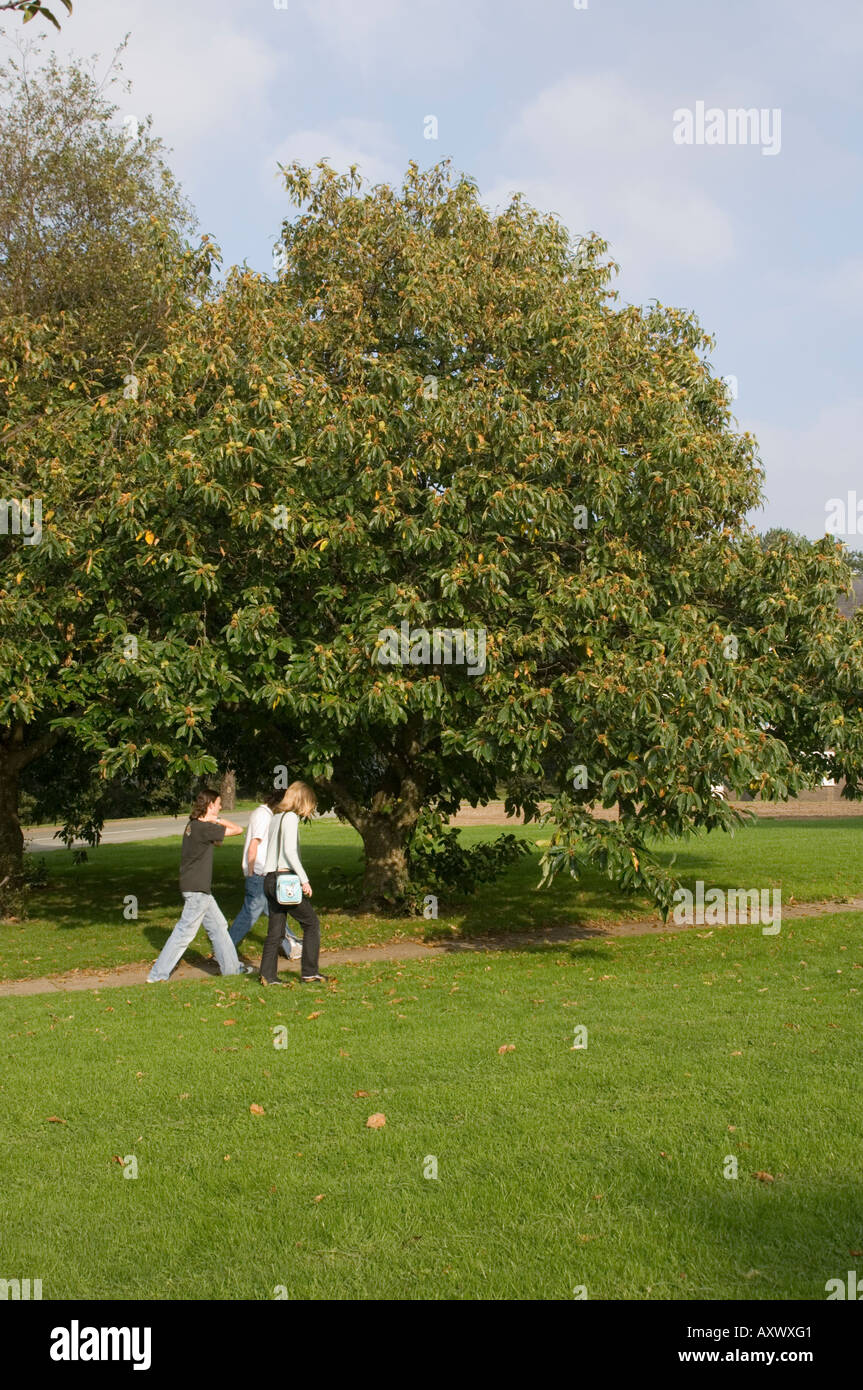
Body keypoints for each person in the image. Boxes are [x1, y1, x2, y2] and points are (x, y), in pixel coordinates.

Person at [147, 789, 254, 983]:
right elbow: (238, 830)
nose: (220, 806)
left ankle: (231, 969)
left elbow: (217, 842)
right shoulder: (203, 828)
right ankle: (157, 975)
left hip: (197, 888)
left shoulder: (193, 826)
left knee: (219, 927)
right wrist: (218, 819)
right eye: (219, 804)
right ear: (211, 805)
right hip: (197, 890)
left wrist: (212, 821)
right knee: (184, 933)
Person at [259, 780, 327, 985]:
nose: (310, 808)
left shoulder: (275, 817)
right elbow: (289, 852)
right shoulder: (290, 818)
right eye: (310, 803)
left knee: (276, 931)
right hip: (284, 881)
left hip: (269, 879)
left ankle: (267, 975)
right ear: (302, 800)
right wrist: (304, 881)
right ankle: (309, 972)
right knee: (311, 923)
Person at [228, 792, 302, 962]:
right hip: (259, 873)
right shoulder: (263, 815)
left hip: (261, 872)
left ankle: (291, 946)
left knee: (274, 910)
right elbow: (254, 844)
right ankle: (225, 949)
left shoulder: (262, 813)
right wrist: (253, 870)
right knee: (249, 914)